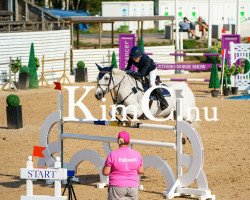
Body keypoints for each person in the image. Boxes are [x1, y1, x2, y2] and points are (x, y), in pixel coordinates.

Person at [102, 131, 144, 200]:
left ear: (118, 141)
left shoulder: (113, 154)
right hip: (133, 187)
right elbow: (141, 171)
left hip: (117, 186)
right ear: (129, 141)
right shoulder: (137, 154)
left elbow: (105, 172)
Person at [125, 46, 169, 110]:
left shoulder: (146, 59)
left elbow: (141, 74)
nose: (133, 59)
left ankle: (163, 101)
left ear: (140, 56)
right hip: (142, 69)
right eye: (132, 57)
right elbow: (128, 69)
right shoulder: (131, 58)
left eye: (135, 57)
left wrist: (132, 73)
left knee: (151, 83)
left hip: (151, 69)